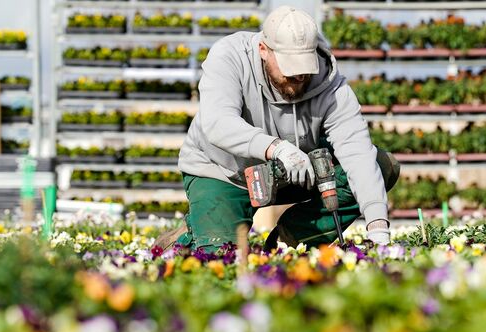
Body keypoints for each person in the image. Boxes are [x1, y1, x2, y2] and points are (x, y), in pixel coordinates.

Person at [156, 6, 399, 251]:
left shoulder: (329, 83)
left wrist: (378, 227)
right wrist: (276, 148)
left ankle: (291, 238)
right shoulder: (228, 57)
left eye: (305, 67)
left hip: (295, 172)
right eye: (290, 68)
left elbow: (358, 153)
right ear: (264, 50)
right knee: (220, 256)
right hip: (225, 172)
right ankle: (191, 233)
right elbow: (218, 122)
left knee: (382, 164)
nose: (300, 77)